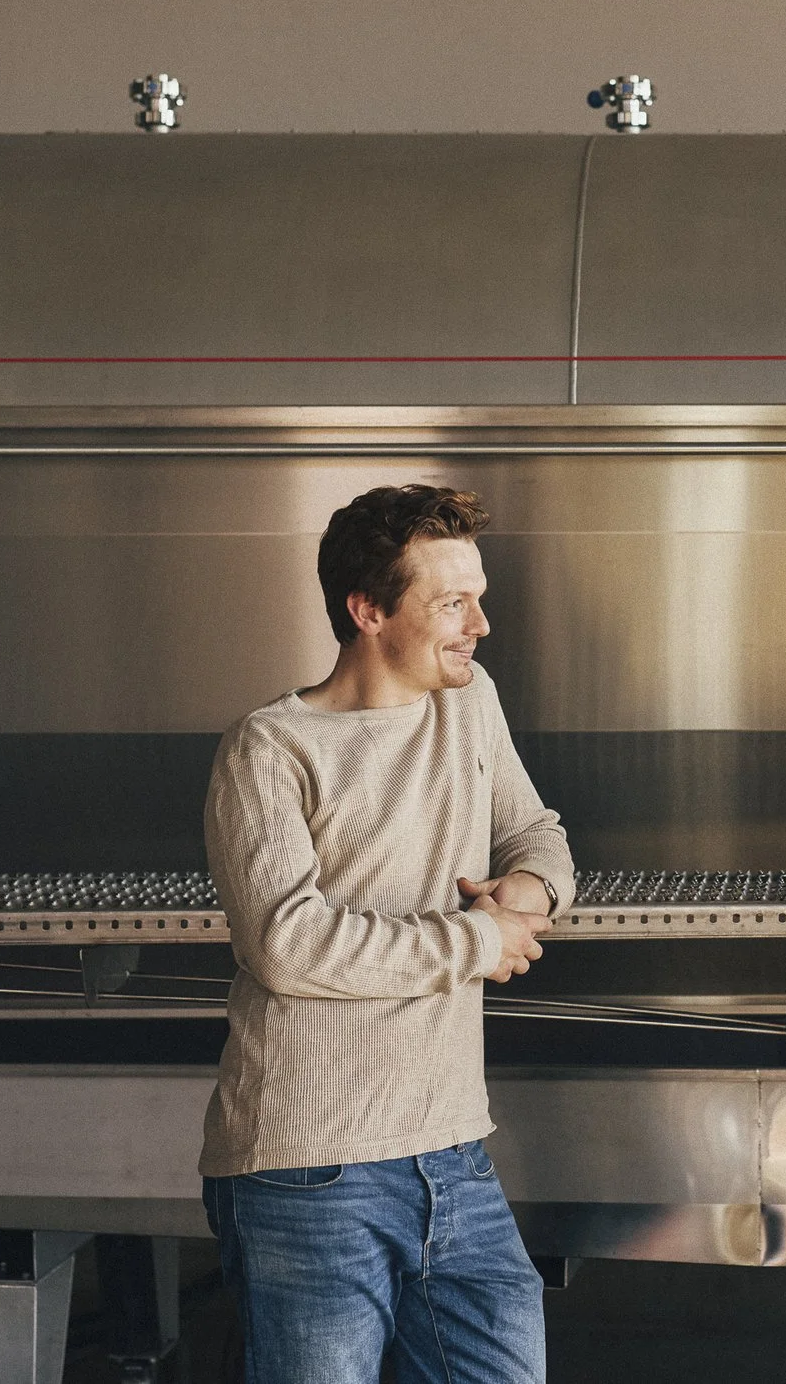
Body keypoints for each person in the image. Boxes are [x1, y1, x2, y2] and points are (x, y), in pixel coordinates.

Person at [200, 483, 573, 1384]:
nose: (479, 624)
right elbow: (290, 944)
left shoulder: (469, 701)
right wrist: (479, 942)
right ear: (368, 610)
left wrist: (527, 894)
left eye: (477, 597)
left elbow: (538, 832)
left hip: (451, 1150)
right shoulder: (270, 749)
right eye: (452, 603)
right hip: (310, 1167)